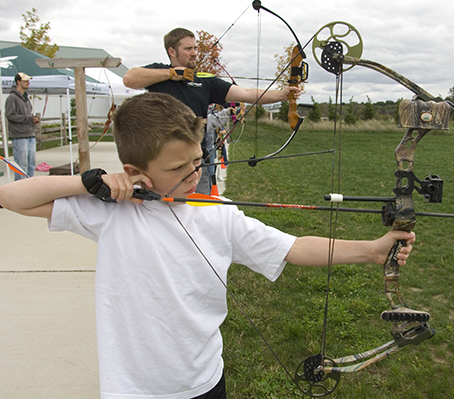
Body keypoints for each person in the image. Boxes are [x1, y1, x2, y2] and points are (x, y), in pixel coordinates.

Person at [0, 92, 416, 399]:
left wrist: (373, 250)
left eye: (197, 160)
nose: (192, 172)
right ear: (135, 172)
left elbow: (294, 247)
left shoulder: (217, 211)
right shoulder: (110, 211)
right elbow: (12, 197)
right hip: (131, 387)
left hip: (202, 381)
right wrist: (87, 183)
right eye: (177, 167)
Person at [123, 27, 298, 195]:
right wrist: (171, 74)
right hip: (163, 163)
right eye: (188, 48)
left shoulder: (205, 81)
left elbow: (246, 93)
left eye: (195, 48)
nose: (194, 52)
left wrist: (282, 95)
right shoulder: (159, 73)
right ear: (172, 51)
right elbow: (129, 78)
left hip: (196, 163)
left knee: (200, 210)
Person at [4, 72, 40, 180]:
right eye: (25, 81)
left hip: (29, 133)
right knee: (21, 163)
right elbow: (10, 115)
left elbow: (27, 114)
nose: (28, 83)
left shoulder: (26, 98)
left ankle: (30, 184)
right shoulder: (12, 98)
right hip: (19, 135)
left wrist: (32, 119)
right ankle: (20, 187)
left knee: (31, 162)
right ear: (18, 82)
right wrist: (28, 118)